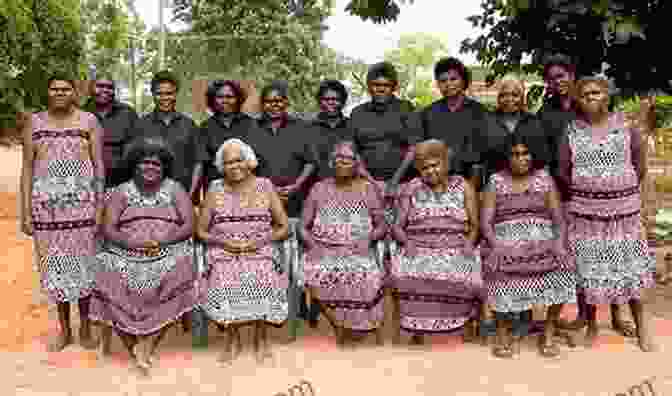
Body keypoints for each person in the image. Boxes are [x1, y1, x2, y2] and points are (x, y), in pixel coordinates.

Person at [539, 56, 637, 338]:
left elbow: (629, 158)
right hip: (570, 195)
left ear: (572, 75)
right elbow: (553, 159)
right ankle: (585, 315)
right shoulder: (547, 113)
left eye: (562, 75)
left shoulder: (595, 108)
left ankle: (618, 315)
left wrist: (616, 188)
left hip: (611, 199)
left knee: (614, 254)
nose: (557, 82)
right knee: (585, 259)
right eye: (552, 77)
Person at [558, 76, 656, 351]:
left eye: (596, 93)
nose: (590, 98)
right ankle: (591, 327)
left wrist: (617, 188)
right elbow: (564, 171)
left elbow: (640, 166)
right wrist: (591, 189)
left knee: (630, 269)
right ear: (578, 100)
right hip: (587, 216)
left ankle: (641, 327)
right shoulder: (572, 131)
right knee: (590, 271)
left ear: (607, 96)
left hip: (623, 215)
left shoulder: (626, 127)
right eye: (584, 94)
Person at [90, 137, 197, 374]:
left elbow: (189, 225)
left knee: (183, 268)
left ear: (164, 168)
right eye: (144, 163)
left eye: (156, 164)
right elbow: (108, 229)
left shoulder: (175, 188)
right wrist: (132, 242)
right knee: (104, 268)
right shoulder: (122, 191)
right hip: (126, 252)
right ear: (134, 165)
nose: (150, 168)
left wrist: (163, 241)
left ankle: (147, 343)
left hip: (168, 250)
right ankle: (133, 345)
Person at [21, 75, 105, 352]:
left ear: (74, 92)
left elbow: (99, 165)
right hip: (47, 211)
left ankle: (85, 328)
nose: (59, 92)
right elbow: (28, 169)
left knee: (83, 268)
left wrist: (100, 206)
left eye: (65, 89)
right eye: (54, 88)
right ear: (47, 92)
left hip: (82, 207)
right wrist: (25, 211)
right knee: (56, 268)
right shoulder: (35, 122)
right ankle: (64, 330)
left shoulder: (89, 121)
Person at [481, 133, 576, 358]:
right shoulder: (495, 181)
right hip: (505, 240)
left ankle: (549, 330)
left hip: (543, 239)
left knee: (563, 266)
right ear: (507, 156)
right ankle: (503, 333)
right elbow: (486, 222)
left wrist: (559, 244)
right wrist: (495, 246)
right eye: (515, 154)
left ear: (533, 156)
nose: (520, 158)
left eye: (525, 153)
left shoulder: (544, 178)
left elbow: (559, 219)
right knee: (497, 267)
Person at [197, 138, 289, 364]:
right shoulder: (215, 188)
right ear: (221, 167)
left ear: (249, 162)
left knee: (262, 273)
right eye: (228, 162)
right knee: (224, 276)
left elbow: (284, 227)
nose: (235, 166)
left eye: (239, 160)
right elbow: (200, 231)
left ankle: (261, 337)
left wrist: (259, 242)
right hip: (225, 249)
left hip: (260, 247)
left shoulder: (265, 186)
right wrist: (222, 242)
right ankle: (232, 338)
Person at [389, 139, 484, 345]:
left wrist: (469, 243)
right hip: (419, 245)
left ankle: (464, 324)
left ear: (445, 163)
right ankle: (418, 328)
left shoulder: (463, 186)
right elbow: (397, 227)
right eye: (424, 167)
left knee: (461, 270)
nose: (430, 171)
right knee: (410, 271)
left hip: (455, 245)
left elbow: (475, 225)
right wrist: (407, 243)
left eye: (435, 165)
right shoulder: (412, 188)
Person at [245, 80, 317, 341]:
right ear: (262, 105)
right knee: (272, 257)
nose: (273, 105)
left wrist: (296, 186)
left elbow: (311, 162)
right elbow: (248, 166)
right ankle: (270, 305)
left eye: (278, 101)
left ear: (286, 103)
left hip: (297, 203)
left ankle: (299, 306)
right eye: (268, 101)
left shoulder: (301, 127)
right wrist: (269, 188)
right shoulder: (252, 129)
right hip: (264, 204)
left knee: (297, 258)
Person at [133, 70, 202, 333]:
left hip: (182, 200)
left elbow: (198, 163)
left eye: (169, 92)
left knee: (182, 256)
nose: (165, 97)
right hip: (150, 201)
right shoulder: (142, 125)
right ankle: (153, 308)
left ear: (176, 94)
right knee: (153, 253)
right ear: (153, 94)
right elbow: (136, 162)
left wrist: (190, 194)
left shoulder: (188, 125)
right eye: (160, 93)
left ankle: (183, 311)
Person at [301, 141, 387, 346]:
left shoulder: (368, 189)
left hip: (357, 249)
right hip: (324, 248)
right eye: (338, 158)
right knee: (314, 272)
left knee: (365, 275)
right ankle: (339, 323)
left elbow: (382, 226)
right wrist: (313, 246)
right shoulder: (318, 188)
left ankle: (354, 325)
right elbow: (303, 226)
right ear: (331, 162)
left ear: (357, 163)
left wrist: (369, 239)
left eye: (348, 159)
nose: (342, 163)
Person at [349, 62, 424, 222]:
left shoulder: (406, 108)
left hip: (402, 184)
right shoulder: (357, 113)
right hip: (366, 184)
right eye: (376, 85)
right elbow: (352, 151)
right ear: (369, 86)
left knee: (402, 228)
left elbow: (414, 148)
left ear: (394, 87)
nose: (381, 89)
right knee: (368, 230)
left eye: (386, 85)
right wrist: (371, 182)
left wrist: (394, 182)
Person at [420, 57, 488, 190]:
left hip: (470, 181)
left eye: (453, 79)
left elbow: (479, 160)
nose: (448, 84)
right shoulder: (428, 113)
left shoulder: (479, 112)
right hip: (435, 182)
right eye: (443, 81)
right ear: (438, 84)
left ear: (463, 81)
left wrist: (471, 192)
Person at [193, 80, 260, 200]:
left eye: (230, 97)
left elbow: (255, 161)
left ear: (238, 99)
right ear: (213, 99)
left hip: (247, 192)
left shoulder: (251, 124)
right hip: (216, 193)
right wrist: (193, 194)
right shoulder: (205, 128)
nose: (225, 101)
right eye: (220, 97)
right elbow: (200, 163)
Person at [83, 78, 140, 189]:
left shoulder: (128, 113)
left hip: (121, 183)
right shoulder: (81, 114)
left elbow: (137, 147)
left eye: (109, 87)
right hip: (87, 183)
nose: (105, 90)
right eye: (100, 86)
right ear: (90, 88)